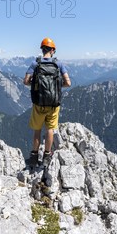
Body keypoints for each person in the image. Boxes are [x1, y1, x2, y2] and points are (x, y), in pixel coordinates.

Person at [23, 37, 72, 167]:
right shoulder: (58, 64)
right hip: (53, 103)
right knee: (50, 129)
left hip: (38, 103)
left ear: (42, 49)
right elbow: (68, 83)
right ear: (53, 50)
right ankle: (46, 156)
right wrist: (55, 86)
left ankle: (34, 157)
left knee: (37, 130)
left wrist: (37, 84)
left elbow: (26, 81)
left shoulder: (35, 64)